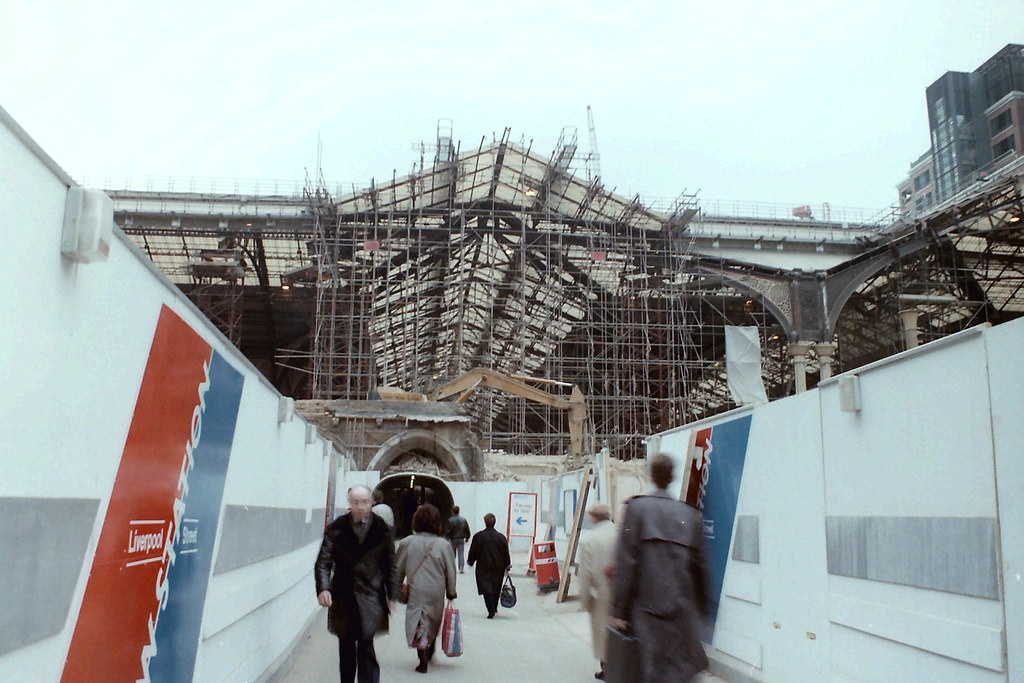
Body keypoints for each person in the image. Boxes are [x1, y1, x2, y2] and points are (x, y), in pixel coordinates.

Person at [611, 453, 710, 683]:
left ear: (651, 476)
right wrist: (703, 608)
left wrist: (619, 610)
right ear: (672, 477)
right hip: (682, 609)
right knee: (680, 671)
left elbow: (626, 563)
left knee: (651, 671)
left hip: (647, 609)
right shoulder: (690, 515)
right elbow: (700, 567)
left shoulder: (637, 509)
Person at [315, 485, 399, 683]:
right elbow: (323, 561)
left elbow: (391, 565)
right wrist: (323, 588)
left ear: (371, 503)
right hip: (344, 595)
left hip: (371, 594)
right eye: (356, 502)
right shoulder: (337, 529)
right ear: (350, 504)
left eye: (364, 502)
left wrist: (393, 594)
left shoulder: (381, 529)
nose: (360, 506)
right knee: (346, 646)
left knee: (366, 645)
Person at [396, 504, 458, 674]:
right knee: (433, 619)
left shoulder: (407, 542)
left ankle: (422, 655)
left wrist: (397, 586)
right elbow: (450, 571)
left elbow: (398, 567)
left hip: (416, 589)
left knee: (419, 620)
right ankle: (429, 649)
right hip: (436, 590)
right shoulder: (443, 545)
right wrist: (451, 591)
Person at [577, 502, 617, 680]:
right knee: (618, 630)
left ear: (593, 518)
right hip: (622, 593)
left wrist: (585, 600)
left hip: (601, 594)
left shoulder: (589, 540)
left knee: (602, 632)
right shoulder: (622, 534)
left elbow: (585, 574)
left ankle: (606, 668)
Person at [466, 512, 511, 618]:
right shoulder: (501, 537)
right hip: (498, 567)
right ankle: (494, 607)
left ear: (485, 522)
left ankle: (490, 609)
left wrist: (470, 561)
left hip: (483, 566)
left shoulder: (478, 536)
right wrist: (507, 564)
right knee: (496, 587)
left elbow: (474, 551)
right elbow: (506, 552)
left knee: (486, 588)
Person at [445, 505, 471, 573]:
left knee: (452, 555)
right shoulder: (463, 520)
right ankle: (461, 568)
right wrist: (467, 537)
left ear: (452, 511)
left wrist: (448, 538)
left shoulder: (450, 520)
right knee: (461, 554)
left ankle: (452, 568)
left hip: (453, 539)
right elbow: (467, 530)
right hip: (461, 539)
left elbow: (448, 531)